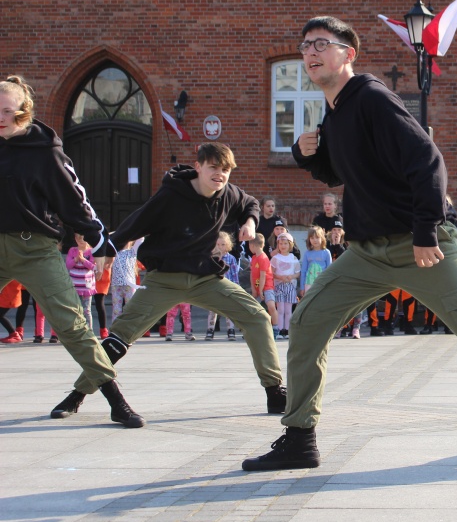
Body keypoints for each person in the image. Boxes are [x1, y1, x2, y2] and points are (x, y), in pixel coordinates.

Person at [242, 16, 457, 472]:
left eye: (322, 44)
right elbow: (342, 173)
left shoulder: (370, 97)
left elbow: (427, 159)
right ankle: (299, 439)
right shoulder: (335, 111)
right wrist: (303, 154)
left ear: (348, 54)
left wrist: (426, 230)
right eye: (306, 45)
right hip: (368, 252)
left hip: (423, 245)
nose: (310, 52)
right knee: (308, 320)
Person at [53, 143, 286, 420]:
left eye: (225, 170)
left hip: (205, 279)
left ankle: (274, 392)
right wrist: (107, 249)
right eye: (213, 168)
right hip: (165, 279)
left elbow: (250, 204)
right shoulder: (171, 196)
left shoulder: (228, 194)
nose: (220, 175)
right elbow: (135, 223)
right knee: (120, 336)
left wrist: (249, 222)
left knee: (257, 318)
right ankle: (77, 394)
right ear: (198, 167)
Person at [0, 75, 142, 426]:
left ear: (23, 110)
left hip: (35, 249)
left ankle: (115, 400)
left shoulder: (44, 150)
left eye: (6, 110)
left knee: (71, 324)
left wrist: (99, 240)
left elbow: (74, 199)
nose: (0, 117)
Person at [205, 231, 240, 341]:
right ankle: (210, 329)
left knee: (229, 310)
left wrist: (236, 288)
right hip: (214, 288)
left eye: (223, 244)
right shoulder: (211, 258)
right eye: (218, 244)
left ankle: (231, 330)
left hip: (227, 288)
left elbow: (234, 274)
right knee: (213, 310)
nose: (220, 247)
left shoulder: (231, 259)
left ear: (228, 245)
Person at [249, 233, 279, 339]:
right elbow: (252, 274)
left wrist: (261, 290)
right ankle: (253, 329)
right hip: (258, 287)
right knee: (253, 308)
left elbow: (263, 276)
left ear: (252, 245)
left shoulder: (263, 258)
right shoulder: (254, 258)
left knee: (271, 306)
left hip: (267, 287)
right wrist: (254, 289)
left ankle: (275, 328)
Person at [67, 233, 98, 332]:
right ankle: (76, 331)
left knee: (86, 310)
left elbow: (93, 266)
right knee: (75, 309)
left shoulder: (91, 251)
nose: (81, 241)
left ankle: (89, 331)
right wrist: (76, 259)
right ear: (75, 239)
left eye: (83, 239)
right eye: (78, 238)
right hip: (74, 286)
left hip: (87, 286)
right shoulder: (72, 250)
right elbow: (68, 265)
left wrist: (83, 260)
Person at [271, 231, 300, 339]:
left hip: (290, 287)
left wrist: (291, 277)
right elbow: (271, 273)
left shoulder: (293, 258)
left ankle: (287, 330)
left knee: (288, 310)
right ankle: (279, 329)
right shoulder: (275, 258)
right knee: (280, 309)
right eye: (281, 243)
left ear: (290, 245)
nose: (283, 246)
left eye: (285, 243)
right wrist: (280, 277)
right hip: (279, 287)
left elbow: (297, 273)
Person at [109, 238, 142, 324]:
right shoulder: (114, 252)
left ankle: (130, 327)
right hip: (116, 284)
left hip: (129, 284)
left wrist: (133, 233)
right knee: (116, 310)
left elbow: (140, 239)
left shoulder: (132, 251)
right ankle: (116, 328)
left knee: (130, 308)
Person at [300, 226, 333, 296]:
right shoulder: (307, 253)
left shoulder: (326, 252)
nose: (315, 240)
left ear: (322, 238)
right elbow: (303, 271)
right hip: (309, 283)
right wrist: (302, 287)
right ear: (309, 239)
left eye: (317, 237)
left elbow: (329, 270)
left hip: (322, 284)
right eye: (312, 238)